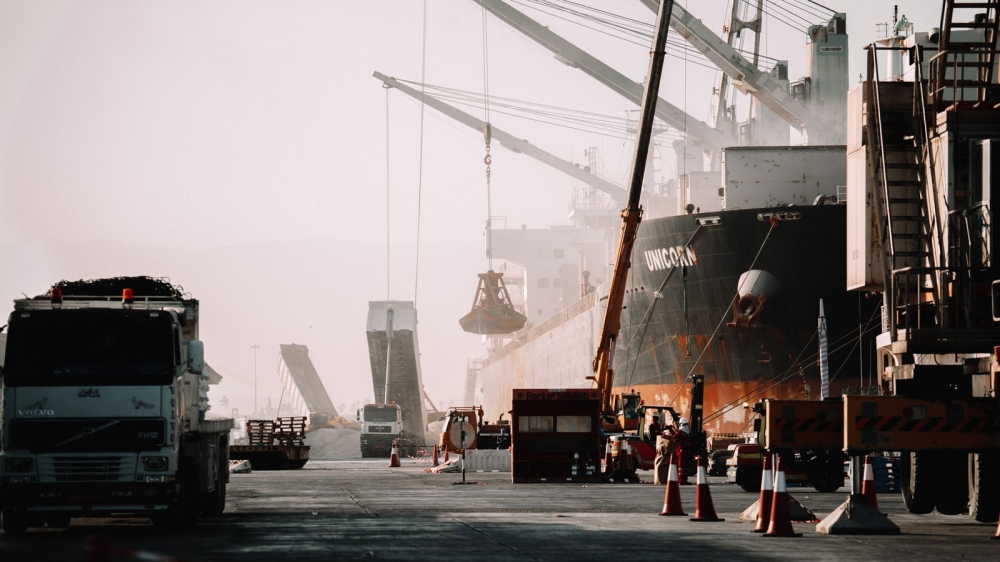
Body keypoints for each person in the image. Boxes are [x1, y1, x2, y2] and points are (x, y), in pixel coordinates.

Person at [671, 417, 692, 484]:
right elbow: (674, 438)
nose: (686, 426)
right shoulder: (680, 431)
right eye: (685, 424)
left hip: (686, 450)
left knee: (685, 465)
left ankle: (684, 480)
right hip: (682, 450)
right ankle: (681, 480)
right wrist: (680, 444)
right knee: (682, 465)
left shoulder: (686, 431)